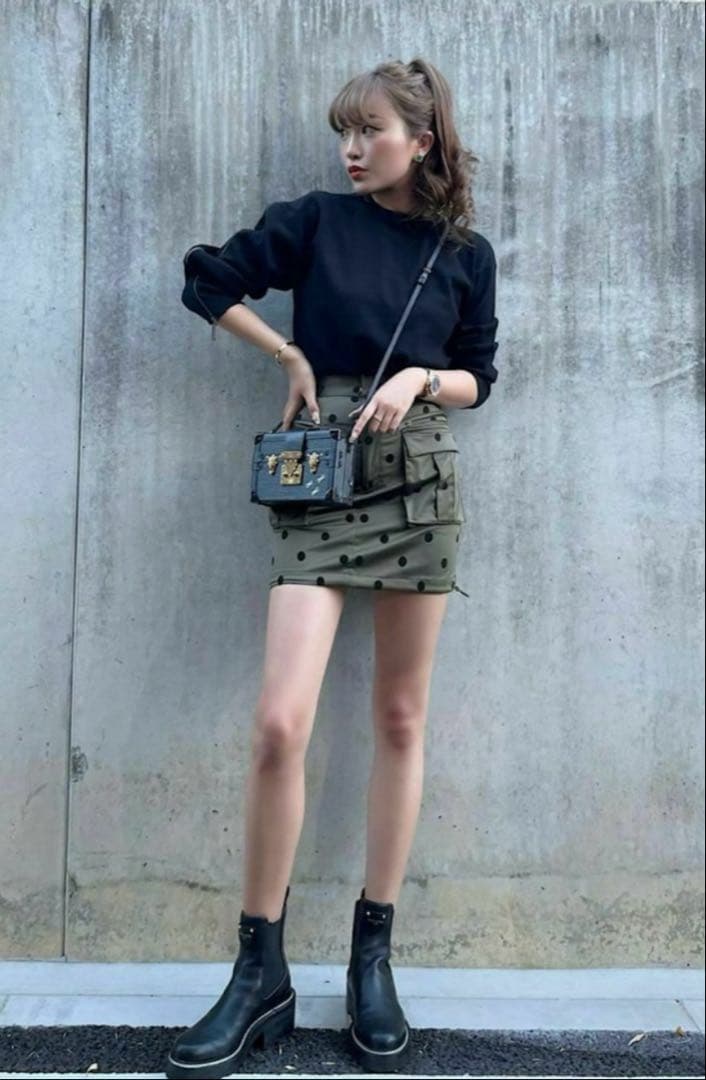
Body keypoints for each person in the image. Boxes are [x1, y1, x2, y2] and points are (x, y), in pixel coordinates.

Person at [165, 57, 499, 1079]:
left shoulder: (462, 252)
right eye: (343, 133)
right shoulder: (314, 221)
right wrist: (289, 355)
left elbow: (480, 376)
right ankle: (258, 971)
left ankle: (371, 959)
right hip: (319, 473)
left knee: (399, 720)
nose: (351, 150)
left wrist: (420, 376)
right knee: (279, 724)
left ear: (421, 142)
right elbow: (207, 278)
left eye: (371, 133)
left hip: (418, 482)